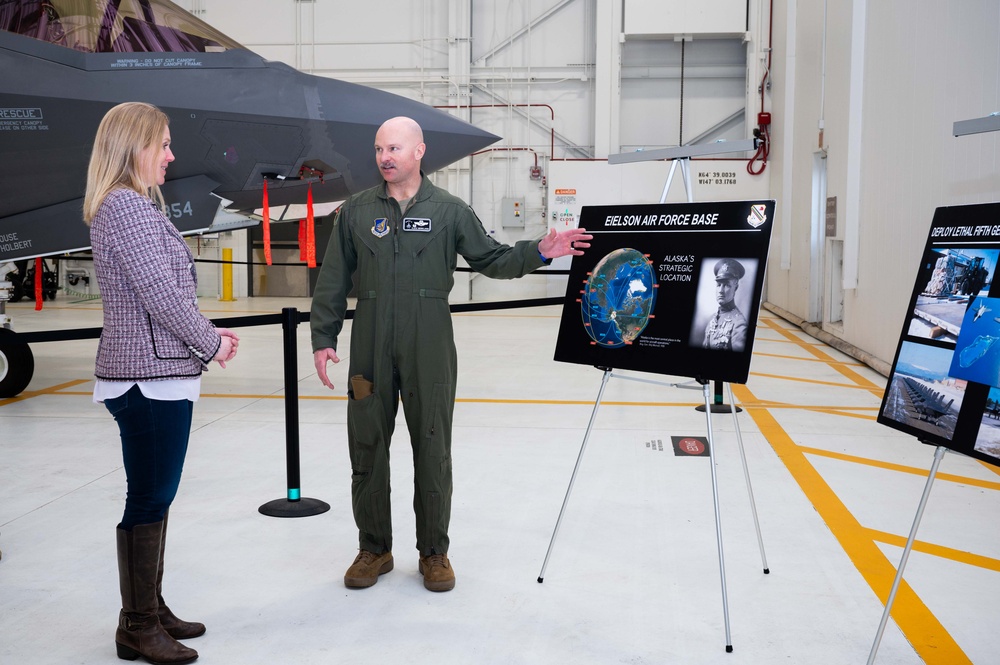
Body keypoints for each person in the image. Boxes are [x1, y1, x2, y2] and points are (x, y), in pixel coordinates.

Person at [311, 116, 592, 593]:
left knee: (433, 449)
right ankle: (373, 549)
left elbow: (493, 259)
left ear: (420, 151)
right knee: (367, 447)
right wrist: (323, 337)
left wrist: (541, 251)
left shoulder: (449, 210)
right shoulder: (356, 211)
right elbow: (334, 278)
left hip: (431, 342)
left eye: (395, 148)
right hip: (370, 342)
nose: (385, 157)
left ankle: (434, 553)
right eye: (380, 148)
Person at [84, 101, 239, 664]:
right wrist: (211, 341)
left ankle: (150, 606)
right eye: (165, 144)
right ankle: (138, 625)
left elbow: (158, 297)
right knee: (149, 496)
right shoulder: (126, 207)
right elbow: (161, 296)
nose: (171, 155)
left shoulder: (129, 206)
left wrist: (202, 335)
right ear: (136, 147)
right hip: (147, 378)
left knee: (157, 493)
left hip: (155, 372)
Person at [703, 258, 748, 352]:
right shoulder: (712, 320)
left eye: (727, 285)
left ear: (735, 287)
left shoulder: (739, 323)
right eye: (718, 285)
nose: (721, 291)